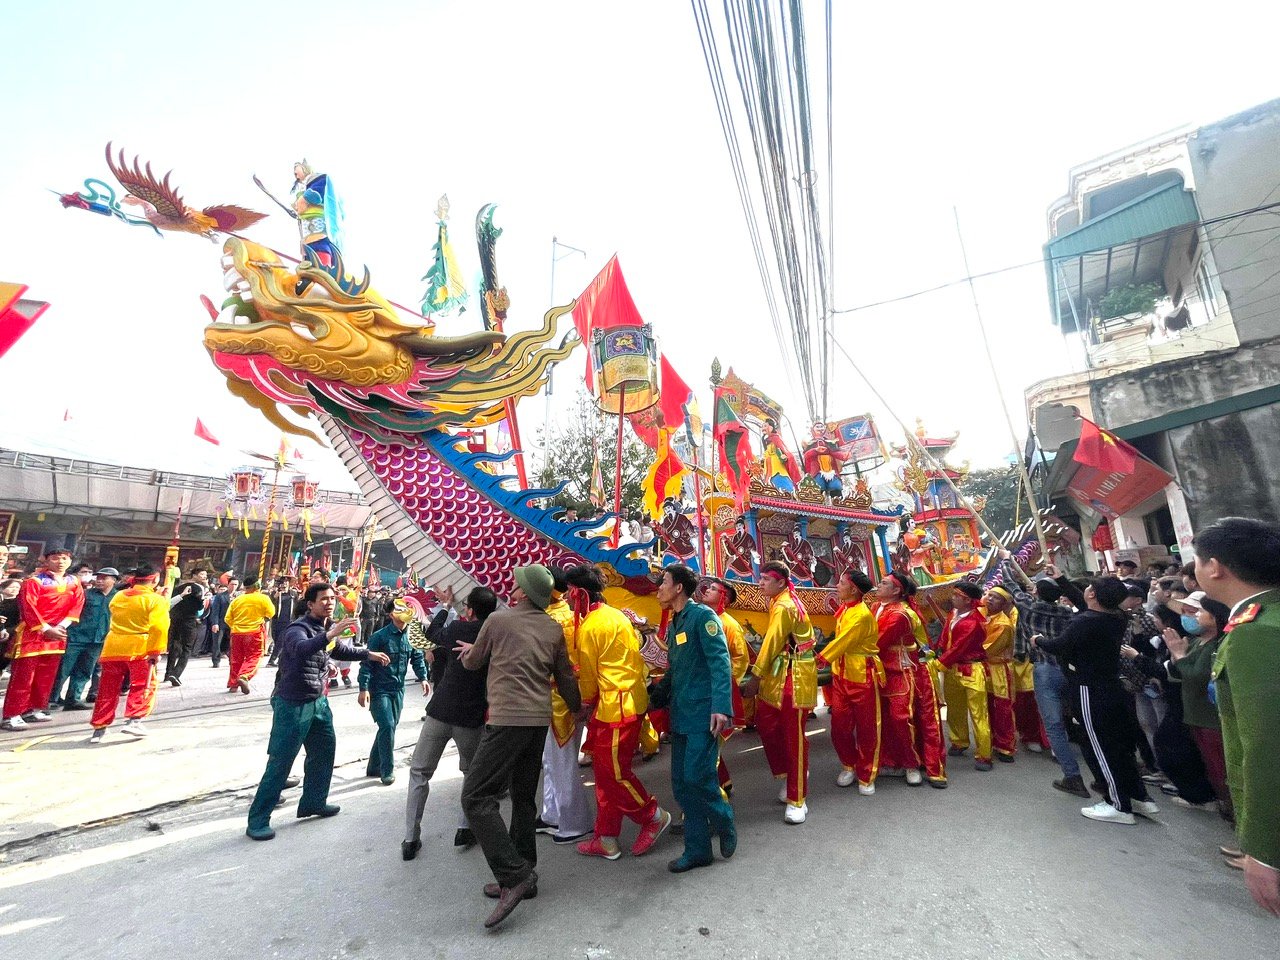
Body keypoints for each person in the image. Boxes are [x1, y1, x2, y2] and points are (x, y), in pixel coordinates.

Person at [457, 564, 581, 929]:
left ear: (525, 593)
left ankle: (514, 875)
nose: (511, 587)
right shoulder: (553, 627)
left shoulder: (497, 621)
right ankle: (525, 870)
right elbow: (565, 677)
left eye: (516, 584)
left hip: (507, 720)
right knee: (523, 795)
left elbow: (475, 662)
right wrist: (577, 710)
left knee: (475, 797)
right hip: (538, 721)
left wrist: (466, 654)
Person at [245, 582, 387, 841]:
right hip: (293, 704)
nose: (330, 602)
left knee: (324, 752)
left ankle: (313, 802)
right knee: (281, 762)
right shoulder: (297, 629)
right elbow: (302, 649)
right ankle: (257, 820)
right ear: (310, 604)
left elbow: (340, 650)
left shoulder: (324, 628)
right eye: (324, 599)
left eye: (332, 598)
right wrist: (331, 634)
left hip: (318, 702)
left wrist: (369, 654)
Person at [1193, 517, 1280, 915]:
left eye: (1196, 561)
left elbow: (1267, 748)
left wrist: (1265, 851)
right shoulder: (1261, 618)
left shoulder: (1256, 632)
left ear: (1215, 567)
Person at [567, 565, 671, 862]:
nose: (567, 601)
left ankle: (652, 815)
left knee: (613, 774)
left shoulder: (591, 625)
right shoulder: (617, 614)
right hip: (625, 701)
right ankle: (606, 836)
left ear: (580, 593)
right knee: (604, 773)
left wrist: (583, 703)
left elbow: (588, 675)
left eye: (570, 595)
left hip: (616, 707)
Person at [1035, 576, 1158, 825]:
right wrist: (1061, 578)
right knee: (1120, 747)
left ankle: (1118, 804)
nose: (1086, 591)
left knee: (1102, 748)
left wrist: (1037, 640)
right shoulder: (1115, 617)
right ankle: (1138, 797)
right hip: (1111, 686)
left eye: (1089, 588)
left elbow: (1058, 645)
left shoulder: (1084, 622)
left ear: (1093, 595)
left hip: (1088, 689)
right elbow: (1085, 603)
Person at [649, 563, 735, 873]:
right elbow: (675, 668)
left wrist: (722, 707)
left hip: (704, 713)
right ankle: (698, 850)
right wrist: (656, 696)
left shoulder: (703, 617)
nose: (659, 588)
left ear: (679, 588)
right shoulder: (675, 624)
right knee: (681, 785)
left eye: (664, 583)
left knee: (699, 778)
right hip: (681, 714)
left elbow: (720, 663)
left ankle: (724, 819)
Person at [402, 586, 496, 861]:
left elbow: (431, 635)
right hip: (471, 717)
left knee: (419, 772)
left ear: (469, 609)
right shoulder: (495, 635)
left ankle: (410, 838)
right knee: (470, 772)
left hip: (440, 711)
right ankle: (464, 828)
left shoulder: (456, 628)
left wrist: (445, 606)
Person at [1002, 559, 1088, 797]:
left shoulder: (1029, 607)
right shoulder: (1067, 613)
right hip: (1069, 670)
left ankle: (1072, 775)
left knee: (1054, 725)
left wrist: (1005, 561)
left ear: (1037, 592)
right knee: (1080, 720)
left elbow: (1011, 586)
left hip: (1044, 668)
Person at [740, 560, 816, 823]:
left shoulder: (784, 606)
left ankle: (798, 799)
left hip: (795, 673)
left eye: (765, 579)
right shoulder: (777, 600)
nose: (760, 583)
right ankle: (791, 772)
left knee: (794, 735)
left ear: (781, 582)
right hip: (780, 669)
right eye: (760, 578)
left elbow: (772, 642)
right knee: (766, 723)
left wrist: (755, 677)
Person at [873, 571, 947, 788]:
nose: (878, 585)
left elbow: (876, 643)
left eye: (884, 583)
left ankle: (912, 763)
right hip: (881, 669)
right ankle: (891, 761)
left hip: (904, 670)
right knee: (884, 718)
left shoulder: (901, 615)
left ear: (896, 591)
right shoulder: (877, 607)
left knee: (901, 718)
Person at [537, 569, 594, 846]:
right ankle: (552, 814)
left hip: (560, 698)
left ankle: (575, 822)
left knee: (561, 762)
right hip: (558, 695)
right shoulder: (563, 614)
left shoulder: (551, 619)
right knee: (551, 760)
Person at [2, 547, 85, 730]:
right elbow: (28, 607)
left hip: (58, 634)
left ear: (70, 561)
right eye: (55, 558)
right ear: (46, 560)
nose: (60, 562)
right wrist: (46, 628)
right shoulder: (34, 581)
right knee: (24, 677)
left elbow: (77, 606)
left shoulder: (74, 582)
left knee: (45, 675)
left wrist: (61, 627)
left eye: (64, 558)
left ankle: (32, 709)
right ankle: (11, 714)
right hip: (32, 634)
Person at [816, 569, 882, 792]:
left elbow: (842, 642)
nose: (837, 585)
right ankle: (849, 764)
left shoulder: (861, 615)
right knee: (839, 727)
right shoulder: (845, 609)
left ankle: (866, 774)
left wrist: (819, 659)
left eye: (841, 583)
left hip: (861, 675)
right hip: (842, 675)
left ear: (853, 589)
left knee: (866, 728)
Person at [88, 564, 169, 742]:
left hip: (113, 646)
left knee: (107, 688)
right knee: (142, 685)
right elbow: (159, 626)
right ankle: (134, 720)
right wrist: (156, 650)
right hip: (139, 646)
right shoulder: (154, 600)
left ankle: (99, 729)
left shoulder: (119, 595)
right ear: (155, 579)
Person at [358, 598, 428, 785]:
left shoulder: (410, 635)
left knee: (388, 727)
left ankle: (374, 765)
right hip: (379, 689)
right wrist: (363, 688)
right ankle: (386, 770)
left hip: (398, 690)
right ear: (391, 614)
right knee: (388, 725)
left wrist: (423, 678)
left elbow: (418, 658)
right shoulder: (379, 637)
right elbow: (366, 664)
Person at [695, 577, 750, 794]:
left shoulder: (729, 625)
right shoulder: (701, 617)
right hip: (700, 689)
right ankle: (724, 783)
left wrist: (723, 681)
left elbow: (741, 658)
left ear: (723, 597)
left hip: (717, 692)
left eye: (714, 589)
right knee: (708, 742)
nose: (707, 590)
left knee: (709, 746)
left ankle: (712, 800)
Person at [936, 580, 992, 769]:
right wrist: (938, 650)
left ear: (967, 600)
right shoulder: (953, 614)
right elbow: (946, 636)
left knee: (978, 713)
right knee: (954, 708)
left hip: (971, 669)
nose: (952, 598)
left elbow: (959, 648)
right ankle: (959, 741)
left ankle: (984, 754)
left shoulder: (974, 622)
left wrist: (939, 664)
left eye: (956, 596)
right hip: (953, 668)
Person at [52, 567, 118, 709]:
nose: (99, 580)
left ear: (113, 580)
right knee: (63, 670)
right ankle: (52, 699)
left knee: (84, 671)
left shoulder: (119, 597)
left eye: (104, 578)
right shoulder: (85, 594)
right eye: (98, 577)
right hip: (76, 638)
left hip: (98, 640)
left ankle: (73, 699)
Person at [982, 586, 1019, 763]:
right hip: (984, 668)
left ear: (1004, 603)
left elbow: (988, 650)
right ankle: (989, 741)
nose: (989, 599)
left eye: (995, 598)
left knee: (1002, 709)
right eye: (988, 595)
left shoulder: (1003, 624)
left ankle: (1005, 746)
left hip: (998, 670)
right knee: (986, 707)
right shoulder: (982, 615)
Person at [223, 575, 276, 694]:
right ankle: (244, 676)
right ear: (257, 586)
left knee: (236, 659)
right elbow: (271, 613)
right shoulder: (263, 598)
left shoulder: (237, 600)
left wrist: (236, 626)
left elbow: (227, 618)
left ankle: (233, 684)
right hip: (254, 632)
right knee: (255, 656)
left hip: (236, 633)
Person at [163, 567, 209, 686]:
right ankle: (176, 674)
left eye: (205, 575)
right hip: (189, 620)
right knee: (187, 648)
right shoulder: (199, 588)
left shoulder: (178, 587)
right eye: (202, 574)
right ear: (194, 575)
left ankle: (168, 673)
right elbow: (200, 607)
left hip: (175, 619)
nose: (204, 576)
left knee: (174, 645)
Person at [207, 577, 237, 667]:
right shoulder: (220, 596)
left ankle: (232, 661)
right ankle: (216, 661)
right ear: (228, 584)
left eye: (236, 584)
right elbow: (215, 611)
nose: (234, 586)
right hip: (221, 622)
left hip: (234, 623)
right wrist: (215, 623)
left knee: (233, 643)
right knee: (217, 642)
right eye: (232, 584)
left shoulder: (240, 597)